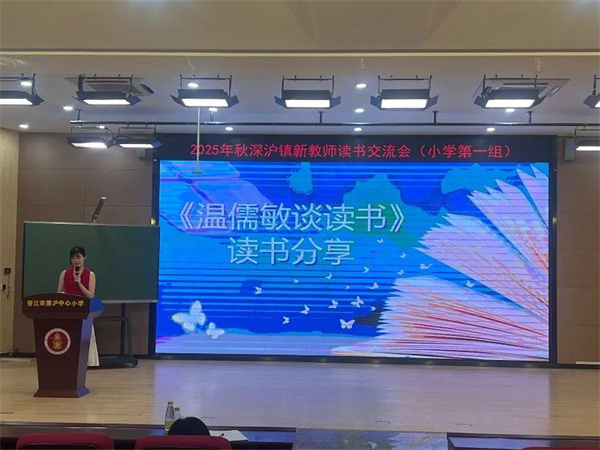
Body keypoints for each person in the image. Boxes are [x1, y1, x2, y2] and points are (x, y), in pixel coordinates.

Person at [57, 246, 99, 367]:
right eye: (73, 258)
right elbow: (59, 291)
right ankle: (68, 361)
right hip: (68, 310)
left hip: (84, 310)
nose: (76, 260)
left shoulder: (90, 274)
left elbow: (91, 295)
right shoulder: (64, 273)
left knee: (84, 336)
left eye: (79, 257)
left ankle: (86, 362)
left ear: (84, 257)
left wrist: (79, 283)